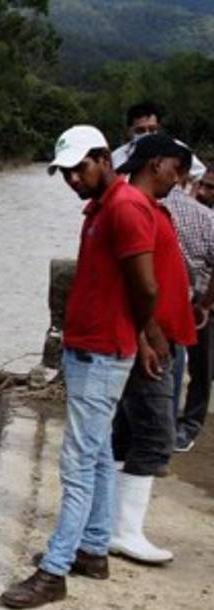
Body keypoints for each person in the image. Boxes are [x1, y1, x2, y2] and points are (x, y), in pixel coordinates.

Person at [0, 125, 159, 610]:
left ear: (104, 158)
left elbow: (145, 286)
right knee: (97, 454)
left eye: (80, 168)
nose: (73, 179)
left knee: (76, 462)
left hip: (103, 353)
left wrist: (144, 336)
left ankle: (54, 571)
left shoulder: (125, 208)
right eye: (66, 172)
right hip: (92, 349)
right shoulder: (100, 208)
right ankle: (92, 549)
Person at [106, 134, 197, 565]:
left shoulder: (146, 206)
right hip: (151, 340)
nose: (178, 181)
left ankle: (112, 524)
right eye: (176, 170)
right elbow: (131, 284)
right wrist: (147, 337)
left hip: (159, 336)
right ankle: (124, 530)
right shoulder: (134, 207)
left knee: (128, 432)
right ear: (156, 164)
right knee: (157, 435)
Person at [164, 161, 214, 453]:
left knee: (202, 366)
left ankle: (191, 425)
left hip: (206, 300)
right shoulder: (196, 214)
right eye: (202, 185)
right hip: (191, 295)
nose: (204, 192)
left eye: (211, 188)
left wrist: (206, 303)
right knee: (181, 360)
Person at [112, 102, 206, 182]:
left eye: (152, 129)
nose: (147, 134)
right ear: (129, 131)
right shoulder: (117, 156)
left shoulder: (176, 148)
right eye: (140, 130)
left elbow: (200, 174)